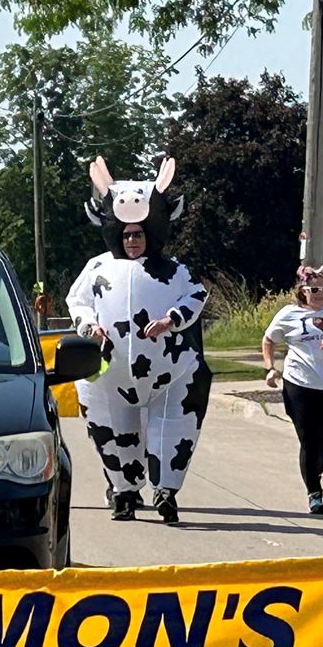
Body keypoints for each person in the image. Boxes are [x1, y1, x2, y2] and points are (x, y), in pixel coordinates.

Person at [66, 158, 211, 523]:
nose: (133, 241)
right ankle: (124, 494)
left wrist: (170, 320)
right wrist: (88, 327)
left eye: (139, 234)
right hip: (109, 371)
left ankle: (166, 493)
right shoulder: (98, 266)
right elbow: (77, 300)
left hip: (170, 370)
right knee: (115, 432)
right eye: (127, 234)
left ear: (151, 232)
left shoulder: (174, 268)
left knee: (172, 430)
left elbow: (195, 295)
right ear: (116, 233)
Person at [260, 266, 323, 515]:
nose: (319, 294)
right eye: (314, 289)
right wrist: (271, 368)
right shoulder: (288, 314)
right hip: (299, 384)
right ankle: (315, 494)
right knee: (308, 439)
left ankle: (313, 471)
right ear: (302, 290)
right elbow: (269, 340)